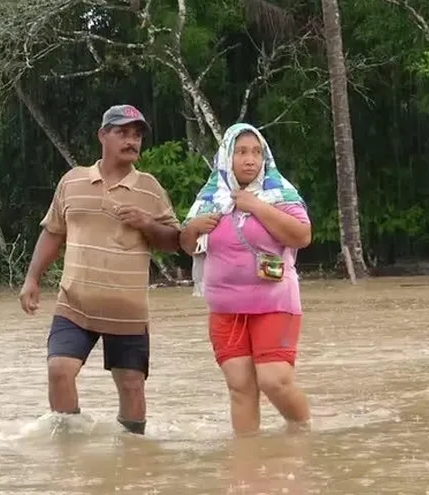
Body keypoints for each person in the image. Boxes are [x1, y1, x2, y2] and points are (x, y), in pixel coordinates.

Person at [18, 105, 181, 435]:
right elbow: (53, 232)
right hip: (75, 303)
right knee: (59, 370)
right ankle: (70, 447)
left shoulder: (149, 188)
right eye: (122, 132)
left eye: (137, 135)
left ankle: (132, 457)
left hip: (127, 309)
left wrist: (147, 223)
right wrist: (32, 278)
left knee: (132, 384)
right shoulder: (72, 181)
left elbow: (175, 241)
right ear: (102, 136)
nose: (131, 140)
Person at [180, 123, 311, 436]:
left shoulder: (279, 193)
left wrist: (256, 206)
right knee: (240, 388)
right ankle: (247, 461)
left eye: (256, 152)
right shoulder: (210, 197)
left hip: (274, 303)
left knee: (273, 380)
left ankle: (303, 430)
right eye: (241, 152)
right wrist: (194, 227)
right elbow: (187, 246)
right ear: (227, 157)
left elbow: (303, 235)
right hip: (225, 308)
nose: (250, 159)